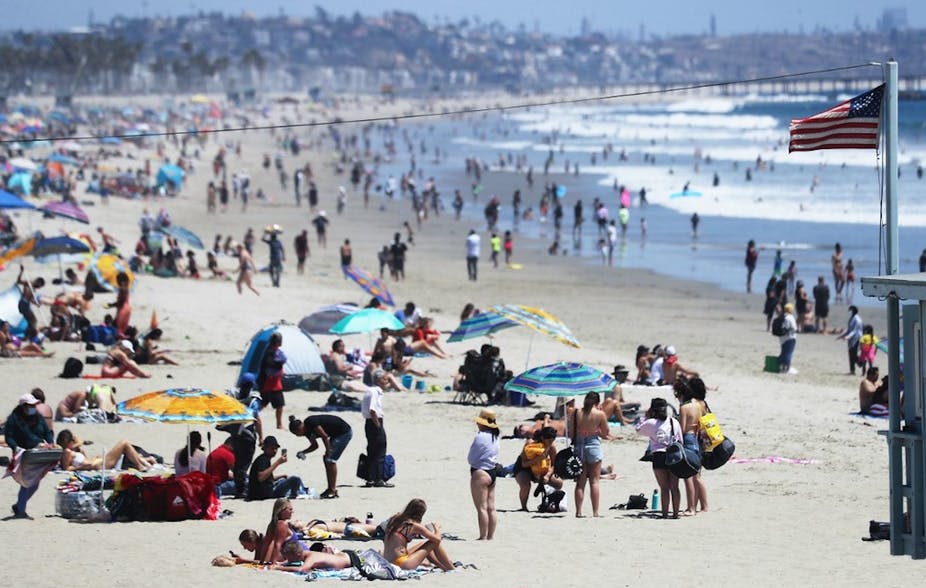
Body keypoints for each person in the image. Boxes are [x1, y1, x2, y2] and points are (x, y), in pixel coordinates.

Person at [5, 393, 55, 519]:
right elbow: (9, 437)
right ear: (24, 406)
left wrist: (50, 443)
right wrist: (15, 447)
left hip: (38, 453)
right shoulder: (14, 419)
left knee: (35, 483)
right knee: (26, 483)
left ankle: (18, 506)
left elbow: (47, 432)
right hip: (23, 454)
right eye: (31, 405)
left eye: (34, 404)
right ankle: (21, 511)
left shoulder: (38, 417)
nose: (33, 407)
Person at [635, 397, 682, 519]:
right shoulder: (674, 422)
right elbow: (680, 440)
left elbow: (638, 429)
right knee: (675, 487)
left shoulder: (651, 423)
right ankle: (676, 514)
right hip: (673, 455)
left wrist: (645, 416)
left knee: (664, 488)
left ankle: (665, 514)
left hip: (659, 455)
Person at [288, 414, 352, 499]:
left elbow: (324, 436)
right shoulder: (306, 432)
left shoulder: (310, 422)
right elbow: (315, 446)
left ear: (299, 428)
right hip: (335, 434)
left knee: (330, 460)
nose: (297, 436)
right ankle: (330, 489)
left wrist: (328, 450)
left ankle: (332, 490)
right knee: (326, 459)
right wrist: (303, 452)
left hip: (344, 432)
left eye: (296, 433)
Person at [383, 499, 455, 571]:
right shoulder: (414, 526)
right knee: (434, 542)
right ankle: (450, 568)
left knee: (423, 543)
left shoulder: (394, 519)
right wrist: (437, 528)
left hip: (388, 561)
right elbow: (437, 539)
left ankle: (441, 565)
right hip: (402, 563)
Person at [572, 391, 612, 518]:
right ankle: (595, 512)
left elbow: (571, 430)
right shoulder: (600, 414)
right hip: (593, 444)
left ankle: (578, 511)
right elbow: (606, 432)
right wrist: (596, 430)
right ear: (597, 402)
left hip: (579, 445)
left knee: (580, 482)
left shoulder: (577, 412)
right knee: (594, 481)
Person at [674, 378, 707, 515]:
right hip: (696, 439)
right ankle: (703, 507)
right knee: (697, 476)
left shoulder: (684, 407)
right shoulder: (699, 405)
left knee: (688, 477)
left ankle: (691, 508)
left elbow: (681, 429)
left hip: (687, 439)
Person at [57, 429, 157, 472]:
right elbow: (66, 469)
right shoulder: (67, 451)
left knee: (125, 447)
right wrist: (81, 468)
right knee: (124, 443)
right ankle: (141, 465)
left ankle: (146, 461)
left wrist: (80, 450)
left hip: (97, 463)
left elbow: (85, 460)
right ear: (68, 442)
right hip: (98, 465)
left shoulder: (73, 451)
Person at [467, 408, 499, 540]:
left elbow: (471, 458)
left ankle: (482, 536)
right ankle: (490, 536)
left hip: (480, 472)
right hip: (492, 471)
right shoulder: (495, 436)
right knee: (491, 507)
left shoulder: (480, 437)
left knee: (481, 507)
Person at [514, 426, 562, 511]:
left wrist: (547, 475)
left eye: (553, 440)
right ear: (542, 438)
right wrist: (537, 459)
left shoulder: (551, 447)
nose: (551, 443)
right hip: (524, 468)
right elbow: (524, 464)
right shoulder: (530, 443)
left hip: (540, 468)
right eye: (549, 440)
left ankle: (549, 502)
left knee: (558, 483)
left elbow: (555, 464)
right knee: (525, 485)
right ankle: (524, 507)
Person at [361, 371, 393, 488]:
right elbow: (372, 410)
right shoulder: (374, 392)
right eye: (385, 379)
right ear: (379, 380)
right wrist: (378, 425)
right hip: (374, 422)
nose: (387, 381)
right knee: (380, 450)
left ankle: (370, 478)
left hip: (369, 423)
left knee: (372, 450)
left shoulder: (370, 390)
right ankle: (378, 479)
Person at [247, 436, 304, 501]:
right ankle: (294, 495)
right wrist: (278, 462)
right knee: (295, 479)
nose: (274, 451)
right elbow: (261, 478)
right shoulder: (263, 460)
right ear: (265, 448)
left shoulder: (264, 458)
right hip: (265, 494)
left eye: (276, 448)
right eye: (272, 448)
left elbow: (267, 478)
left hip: (262, 491)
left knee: (283, 479)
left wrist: (282, 476)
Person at [260, 331, 287, 430]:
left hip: (272, 383)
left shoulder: (273, 351)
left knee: (263, 403)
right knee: (279, 405)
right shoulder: (270, 352)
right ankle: (279, 424)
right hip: (272, 384)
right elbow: (271, 364)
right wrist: (279, 364)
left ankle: (251, 417)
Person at [837, 305, 863, 375]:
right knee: (851, 354)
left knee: (853, 354)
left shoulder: (857, 319)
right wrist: (842, 336)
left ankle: (861, 363)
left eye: (851, 310)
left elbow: (855, 331)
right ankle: (852, 370)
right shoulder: (851, 318)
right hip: (851, 339)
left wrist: (847, 337)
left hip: (856, 338)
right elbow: (849, 330)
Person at [778, 303, 798, 374]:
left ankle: (781, 367)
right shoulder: (790, 317)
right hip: (790, 338)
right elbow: (794, 328)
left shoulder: (782, 316)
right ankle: (787, 369)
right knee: (789, 353)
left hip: (782, 338)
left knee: (784, 353)